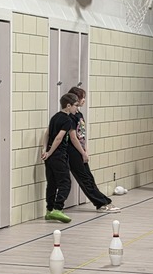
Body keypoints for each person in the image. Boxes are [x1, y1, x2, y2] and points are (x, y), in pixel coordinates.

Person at [40, 86, 119, 214]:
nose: (83, 101)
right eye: (81, 98)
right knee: (82, 178)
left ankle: (103, 201)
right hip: (72, 151)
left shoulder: (78, 114)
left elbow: (81, 135)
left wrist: (85, 149)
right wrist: (81, 152)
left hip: (80, 149)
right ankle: (101, 203)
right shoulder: (68, 117)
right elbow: (70, 137)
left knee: (88, 177)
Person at [41, 93, 78, 223]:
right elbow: (58, 138)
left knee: (52, 183)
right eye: (75, 106)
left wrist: (45, 150)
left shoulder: (54, 117)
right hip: (58, 155)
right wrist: (50, 152)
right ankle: (58, 208)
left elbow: (47, 133)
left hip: (49, 156)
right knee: (65, 182)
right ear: (68, 106)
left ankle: (49, 210)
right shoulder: (68, 120)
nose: (76, 109)